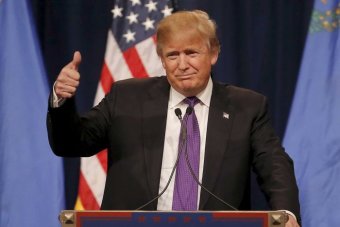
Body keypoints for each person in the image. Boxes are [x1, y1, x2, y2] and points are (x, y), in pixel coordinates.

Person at [47, 10, 301, 227]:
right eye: (172, 55)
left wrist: (285, 214)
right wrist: (61, 99)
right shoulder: (127, 97)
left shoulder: (247, 106)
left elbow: (274, 166)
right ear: (162, 59)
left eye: (192, 53)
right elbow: (72, 143)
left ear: (213, 54)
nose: (182, 64)